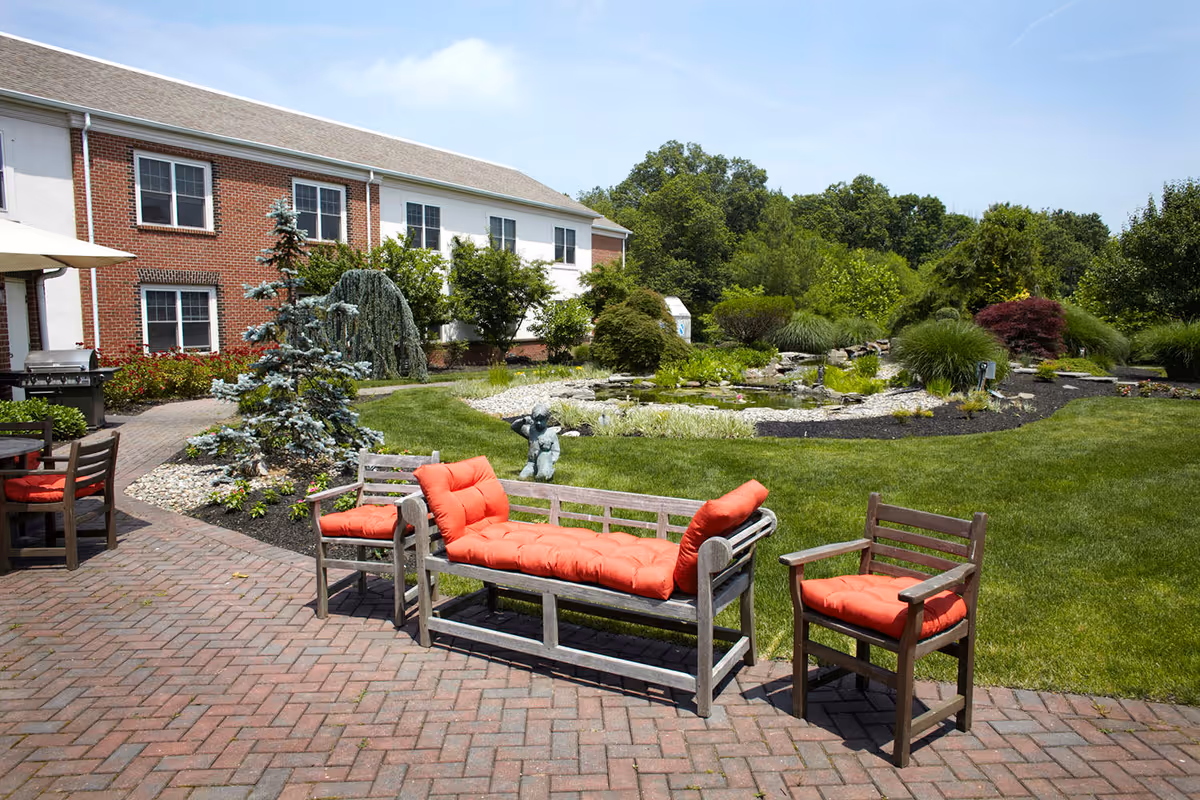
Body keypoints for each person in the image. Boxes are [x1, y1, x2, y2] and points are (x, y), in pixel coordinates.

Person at [511, 402, 560, 481]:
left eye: (541, 420)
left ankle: (548, 471)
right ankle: (536, 471)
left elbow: (556, 451)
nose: (538, 423)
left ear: (547, 419)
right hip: (531, 463)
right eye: (536, 420)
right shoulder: (531, 430)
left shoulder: (551, 434)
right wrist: (523, 421)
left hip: (544, 462)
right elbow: (514, 427)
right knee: (522, 478)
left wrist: (551, 461)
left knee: (543, 477)